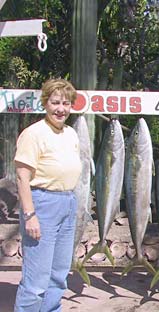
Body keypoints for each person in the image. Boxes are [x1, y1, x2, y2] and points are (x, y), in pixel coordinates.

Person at [14, 79, 82, 312]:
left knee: (58, 275)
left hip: (68, 203)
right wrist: (30, 214)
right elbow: (22, 178)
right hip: (42, 204)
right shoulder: (33, 134)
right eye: (55, 103)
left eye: (65, 103)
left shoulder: (71, 133)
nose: (60, 109)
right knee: (36, 281)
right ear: (45, 103)